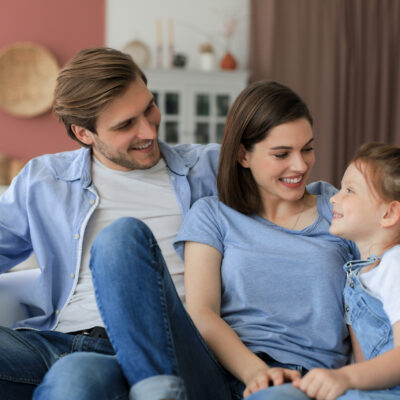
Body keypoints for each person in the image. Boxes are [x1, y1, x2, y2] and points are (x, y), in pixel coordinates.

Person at [88, 80, 359, 400]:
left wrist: (361, 381)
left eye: (308, 148)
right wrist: (254, 371)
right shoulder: (212, 214)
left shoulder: (343, 208)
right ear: (244, 155)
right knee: (120, 238)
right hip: (214, 371)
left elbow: (368, 304)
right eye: (281, 154)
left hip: (302, 380)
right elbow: (202, 311)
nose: (300, 165)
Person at [0, 47, 219, 399]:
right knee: (71, 373)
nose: (149, 130)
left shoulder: (208, 169)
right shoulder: (45, 179)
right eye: (125, 125)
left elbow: (302, 190)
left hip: (161, 347)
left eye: (149, 107)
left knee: (119, 240)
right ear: (84, 134)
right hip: (56, 340)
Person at [291, 143, 400, 400]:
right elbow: (364, 364)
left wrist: (344, 378)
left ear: (389, 213)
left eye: (350, 190)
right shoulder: (356, 277)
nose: (334, 198)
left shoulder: (395, 265)